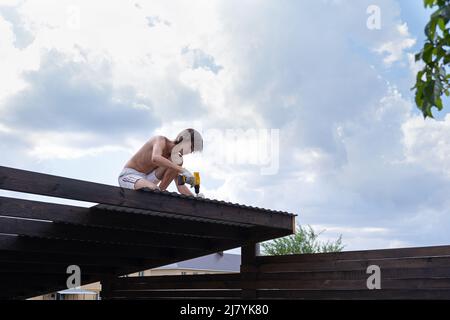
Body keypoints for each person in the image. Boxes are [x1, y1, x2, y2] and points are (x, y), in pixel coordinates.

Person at [118, 128, 203, 196]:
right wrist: (182, 170)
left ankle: (160, 193)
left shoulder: (176, 160)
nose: (189, 152)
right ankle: (157, 192)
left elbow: (180, 186)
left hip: (148, 181)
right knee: (154, 189)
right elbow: (155, 158)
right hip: (130, 175)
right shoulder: (160, 140)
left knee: (177, 161)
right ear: (185, 140)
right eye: (191, 148)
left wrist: (195, 198)